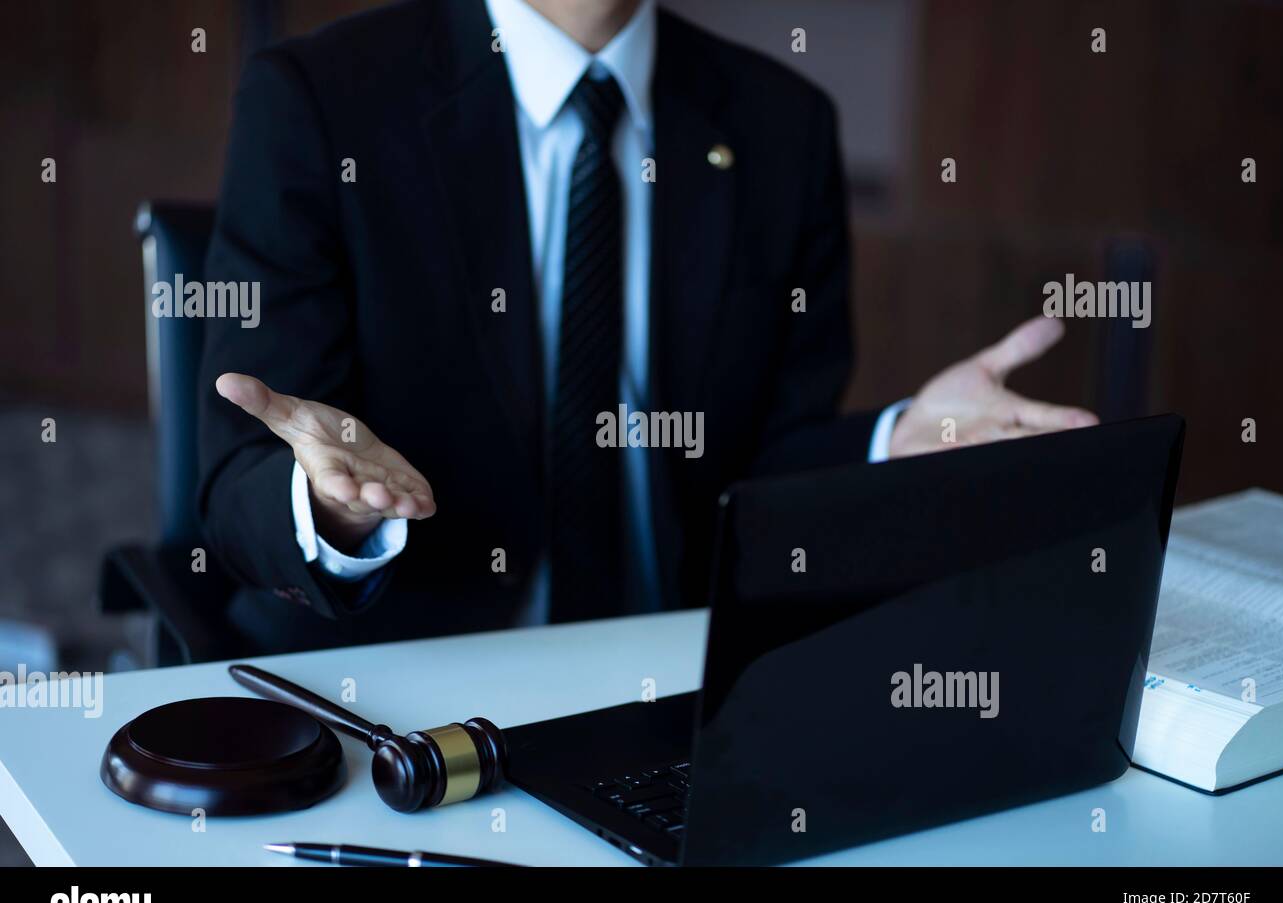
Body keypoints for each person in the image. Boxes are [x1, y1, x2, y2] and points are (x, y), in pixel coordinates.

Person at [198, 0, 1096, 653]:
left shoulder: (783, 126)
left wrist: (891, 439)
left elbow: (767, 465)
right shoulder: (322, 102)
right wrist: (333, 510)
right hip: (405, 679)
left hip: (678, 679)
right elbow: (238, 483)